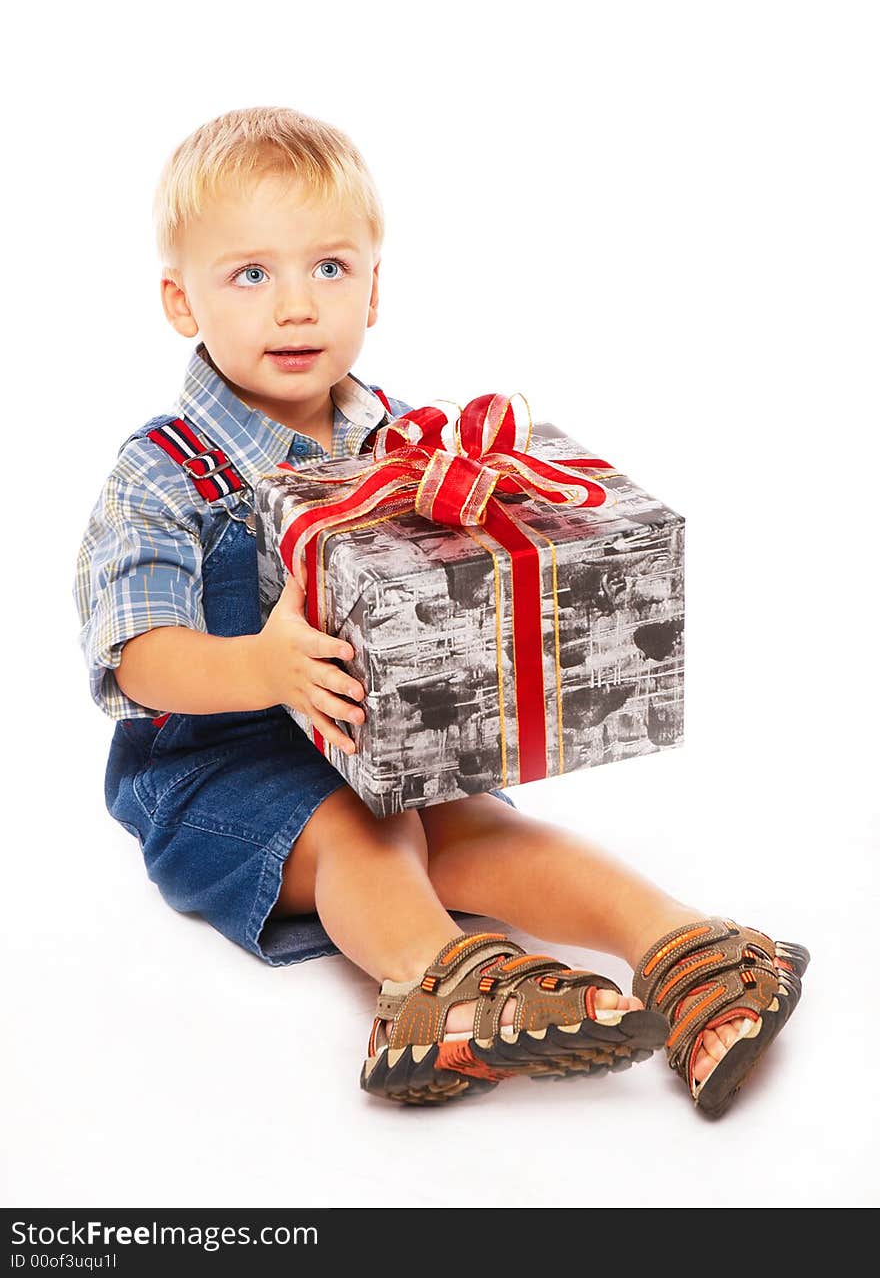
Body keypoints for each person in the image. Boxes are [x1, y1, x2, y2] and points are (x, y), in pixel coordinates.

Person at [73, 106, 808, 1118]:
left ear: (374, 285)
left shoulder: (398, 437)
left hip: (375, 742)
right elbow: (137, 656)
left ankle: (682, 946)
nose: (296, 306)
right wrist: (265, 668)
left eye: (328, 267)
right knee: (361, 832)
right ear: (179, 299)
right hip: (222, 765)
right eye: (251, 274)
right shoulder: (160, 474)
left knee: (467, 822)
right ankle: (439, 981)